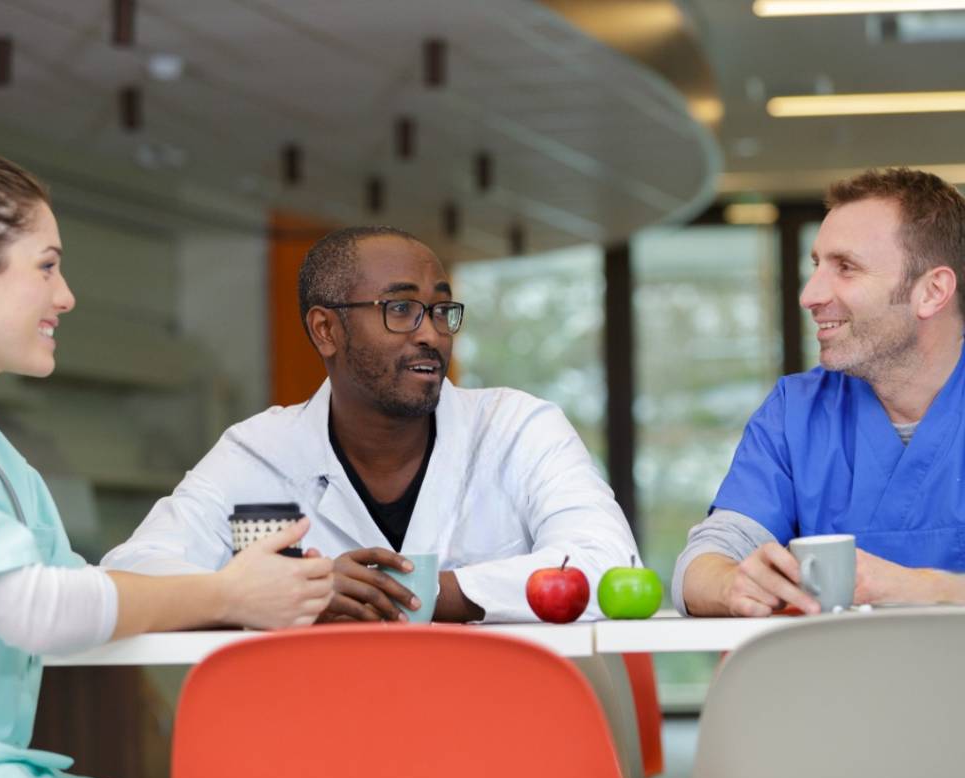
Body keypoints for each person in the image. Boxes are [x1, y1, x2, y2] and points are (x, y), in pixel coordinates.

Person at [0, 148, 334, 778]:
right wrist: (227, 595)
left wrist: (262, 587)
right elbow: (39, 610)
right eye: (46, 267)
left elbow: (78, 591)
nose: (65, 296)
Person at [102, 225, 637, 622]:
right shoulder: (259, 452)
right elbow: (133, 572)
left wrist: (414, 594)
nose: (431, 333)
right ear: (325, 330)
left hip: (500, 728)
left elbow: (609, 565)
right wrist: (293, 589)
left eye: (441, 311)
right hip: (328, 739)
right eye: (401, 309)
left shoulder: (517, 428)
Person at [674, 167, 965, 617]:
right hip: (834, 686)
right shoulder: (798, 413)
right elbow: (702, 564)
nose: (810, 295)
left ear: (931, 291)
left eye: (846, 268)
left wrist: (918, 588)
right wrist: (733, 582)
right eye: (816, 265)